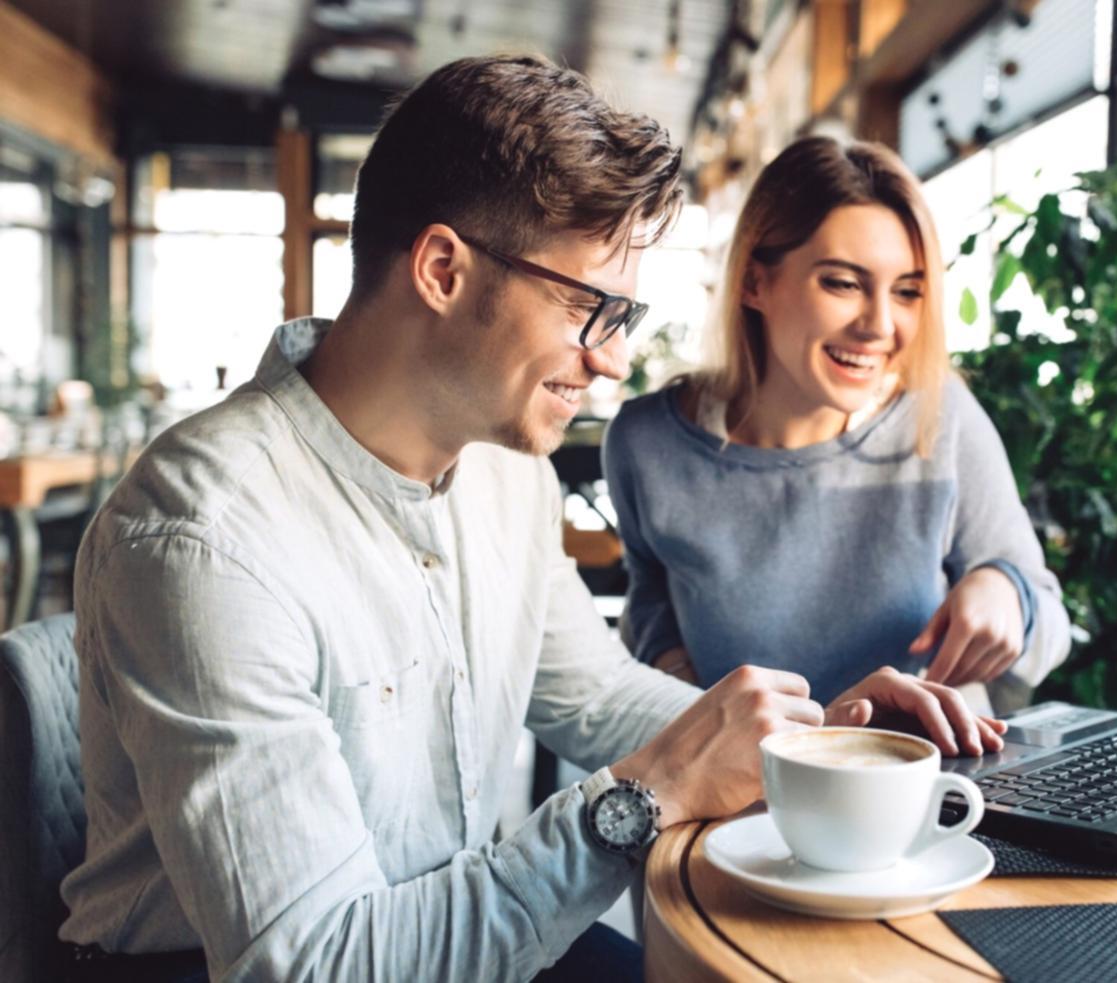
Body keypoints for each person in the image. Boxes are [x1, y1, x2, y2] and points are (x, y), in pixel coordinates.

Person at [56, 58, 1005, 983]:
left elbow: (593, 695)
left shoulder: (506, 473)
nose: (615, 360)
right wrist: (644, 798)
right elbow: (313, 961)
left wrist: (815, 744)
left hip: (450, 930)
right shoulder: (206, 539)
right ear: (441, 269)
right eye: (590, 306)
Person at [603, 136, 1071, 714]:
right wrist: (692, 698)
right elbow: (650, 604)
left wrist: (1008, 592)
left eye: (907, 292)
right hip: (749, 769)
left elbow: (1050, 620)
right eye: (843, 283)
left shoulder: (939, 415)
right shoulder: (647, 444)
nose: (880, 325)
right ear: (753, 282)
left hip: (925, 764)